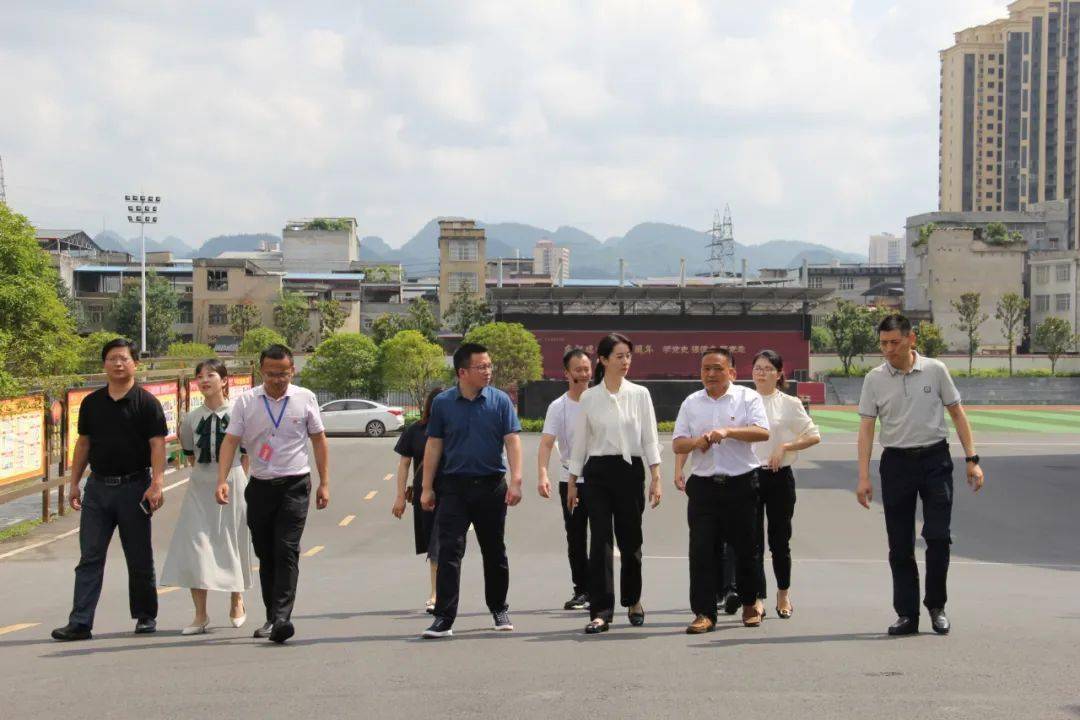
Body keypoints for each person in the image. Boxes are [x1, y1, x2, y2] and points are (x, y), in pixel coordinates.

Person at [856, 314, 984, 636]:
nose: (888, 349)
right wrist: (863, 476)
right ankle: (907, 614)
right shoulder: (874, 379)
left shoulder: (935, 370)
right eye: (883, 343)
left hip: (934, 460)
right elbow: (866, 428)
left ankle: (936, 606)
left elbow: (957, 412)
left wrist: (972, 459)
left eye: (894, 342)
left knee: (938, 536)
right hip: (896, 463)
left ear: (911, 339)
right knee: (899, 543)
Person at [52, 338, 167, 641]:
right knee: (90, 556)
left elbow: (157, 445)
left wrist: (157, 484)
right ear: (104, 364)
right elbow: (84, 444)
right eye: (112, 359)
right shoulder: (91, 403)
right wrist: (74, 483)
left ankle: (145, 615)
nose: (118, 364)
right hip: (98, 489)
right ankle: (80, 622)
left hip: (135, 488)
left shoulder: (147, 404)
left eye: (124, 359)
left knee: (139, 555)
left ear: (134, 364)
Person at [216, 344, 330, 644]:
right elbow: (230, 442)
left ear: (292, 370)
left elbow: (318, 440)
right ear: (261, 371)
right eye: (270, 374)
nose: (277, 379)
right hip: (261, 486)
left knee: (286, 549)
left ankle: (282, 617)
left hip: (295, 485)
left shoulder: (305, 398)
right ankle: (271, 617)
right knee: (266, 554)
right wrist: (222, 479)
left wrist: (324, 482)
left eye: (283, 373)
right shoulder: (247, 402)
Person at [419, 343, 523, 639]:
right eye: (481, 367)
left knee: (495, 550)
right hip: (453, 488)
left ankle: (499, 608)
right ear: (462, 372)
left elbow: (512, 440)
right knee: (450, 551)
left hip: (491, 486)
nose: (488, 372)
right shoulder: (443, 403)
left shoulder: (500, 401)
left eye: (490, 366)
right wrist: (426, 487)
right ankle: (444, 618)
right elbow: (434, 445)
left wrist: (516, 480)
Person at [567, 333, 662, 635]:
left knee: (631, 540)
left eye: (628, 356)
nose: (625, 362)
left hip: (630, 471)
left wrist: (656, 476)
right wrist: (572, 480)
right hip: (597, 473)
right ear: (603, 360)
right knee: (600, 542)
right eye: (619, 356)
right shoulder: (589, 397)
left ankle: (633, 600)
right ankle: (600, 612)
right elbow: (580, 442)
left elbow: (649, 437)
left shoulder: (640, 394)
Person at [672, 347, 769, 633]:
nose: (711, 374)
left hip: (741, 483)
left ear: (732, 372)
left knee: (746, 549)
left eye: (717, 368)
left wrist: (729, 432)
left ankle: (750, 603)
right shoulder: (692, 402)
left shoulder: (747, 397)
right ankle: (704, 612)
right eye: (706, 369)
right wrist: (696, 443)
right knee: (701, 550)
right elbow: (678, 443)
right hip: (703, 486)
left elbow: (763, 432)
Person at [161, 359, 254, 634]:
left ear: (224, 380)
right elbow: (190, 454)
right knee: (195, 546)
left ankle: (237, 599)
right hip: (200, 483)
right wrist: (207, 477)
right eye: (200, 377)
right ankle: (200, 615)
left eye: (211, 375)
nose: (204, 381)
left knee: (232, 541)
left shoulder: (240, 414)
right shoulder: (191, 419)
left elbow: (246, 453)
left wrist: (240, 480)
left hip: (235, 480)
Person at [750, 349, 820, 619]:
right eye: (758, 367)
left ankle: (783, 593)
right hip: (750, 477)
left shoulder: (789, 403)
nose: (762, 373)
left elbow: (813, 435)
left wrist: (785, 446)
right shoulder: (743, 400)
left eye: (768, 368)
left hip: (780, 478)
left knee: (780, 540)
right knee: (752, 541)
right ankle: (757, 597)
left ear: (779, 374)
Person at [538, 348, 592, 611]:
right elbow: (547, 443)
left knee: (603, 535)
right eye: (578, 370)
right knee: (576, 536)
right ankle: (581, 589)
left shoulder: (602, 400)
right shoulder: (558, 407)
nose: (584, 374)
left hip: (601, 478)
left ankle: (600, 588)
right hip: (570, 480)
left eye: (587, 369)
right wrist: (543, 474)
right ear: (567, 373)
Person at [392, 386, 445, 614]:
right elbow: (404, 464)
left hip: (453, 494)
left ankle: (439, 594)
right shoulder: (416, 430)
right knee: (434, 544)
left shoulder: (456, 429)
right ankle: (436, 592)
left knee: (442, 545)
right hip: (426, 496)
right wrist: (400, 497)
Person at [674, 452, 740, 616]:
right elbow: (682, 440)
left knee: (732, 539)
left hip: (737, 480)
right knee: (710, 542)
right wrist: (678, 468)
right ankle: (717, 593)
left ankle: (731, 590)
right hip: (705, 483)